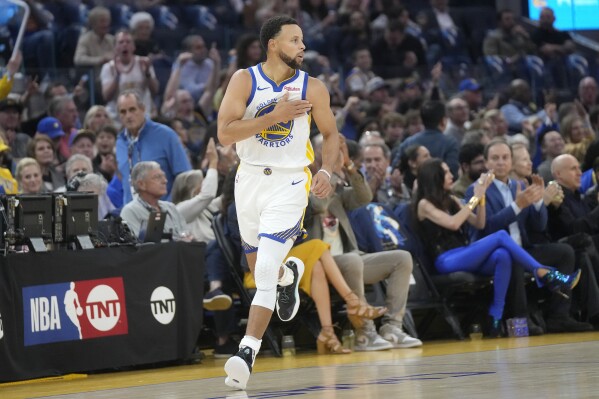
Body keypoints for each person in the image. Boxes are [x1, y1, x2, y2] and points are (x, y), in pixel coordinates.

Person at [217, 16, 339, 390]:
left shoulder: (313, 87)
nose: (302, 46)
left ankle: (247, 351)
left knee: (265, 268)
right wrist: (274, 116)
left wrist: (328, 171)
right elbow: (224, 134)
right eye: (294, 40)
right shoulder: (244, 80)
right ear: (272, 44)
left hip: (289, 181)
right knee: (259, 269)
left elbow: (332, 134)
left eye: (302, 40)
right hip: (249, 180)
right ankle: (289, 277)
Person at [415, 158, 581, 336]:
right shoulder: (424, 204)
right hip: (445, 259)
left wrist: (483, 197)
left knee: (503, 255)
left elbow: (480, 223)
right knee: (502, 236)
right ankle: (544, 272)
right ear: (434, 177)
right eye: (446, 172)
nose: (451, 175)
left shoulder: (453, 200)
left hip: (463, 252)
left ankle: (495, 317)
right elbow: (454, 223)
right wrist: (476, 197)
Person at [115, 90, 191, 205]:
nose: (128, 116)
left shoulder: (166, 135)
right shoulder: (120, 142)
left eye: (132, 109)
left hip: (164, 215)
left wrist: (168, 207)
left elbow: (185, 177)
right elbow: (125, 181)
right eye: (123, 112)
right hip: (132, 217)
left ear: (143, 109)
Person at [120, 161, 190, 240]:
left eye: (164, 176)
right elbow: (138, 247)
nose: (165, 181)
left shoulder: (171, 207)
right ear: (141, 184)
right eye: (157, 177)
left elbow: (187, 234)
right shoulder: (130, 211)